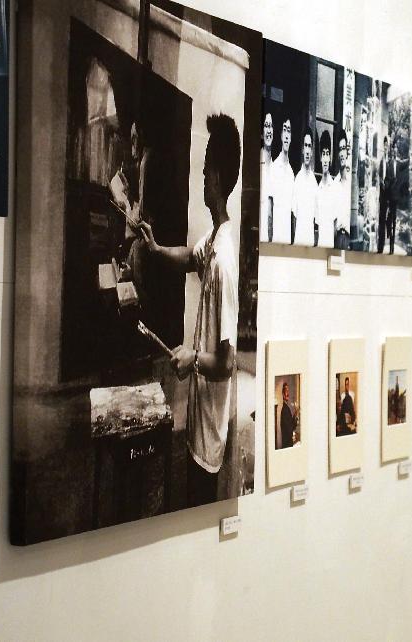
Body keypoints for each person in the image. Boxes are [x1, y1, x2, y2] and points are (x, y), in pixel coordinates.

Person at [138, 113, 240, 505]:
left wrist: (193, 358)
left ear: (215, 178)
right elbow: (189, 257)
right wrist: (156, 248)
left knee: (200, 504)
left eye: (204, 170)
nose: (200, 177)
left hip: (210, 433)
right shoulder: (214, 239)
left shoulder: (225, 261)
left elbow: (228, 363)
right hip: (199, 419)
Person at [268, 116, 294, 244]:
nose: (287, 135)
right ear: (280, 134)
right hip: (275, 239)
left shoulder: (291, 172)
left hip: (287, 239)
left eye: (289, 130)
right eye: (285, 130)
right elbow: (270, 210)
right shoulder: (273, 168)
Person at [292, 130, 318, 247]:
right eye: (306, 146)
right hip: (299, 239)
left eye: (310, 146)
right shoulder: (297, 179)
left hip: (310, 241)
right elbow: (294, 216)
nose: (307, 150)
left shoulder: (314, 182)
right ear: (303, 150)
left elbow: (316, 217)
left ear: (312, 151)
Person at [315, 130, 338, 248]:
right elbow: (317, 224)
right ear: (320, 157)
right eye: (323, 154)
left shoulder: (334, 187)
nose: (325, 158)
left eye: (327, 154)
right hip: (320, 244)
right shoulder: (317, 188)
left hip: (330, 245)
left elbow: (335, 224)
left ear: (330, 158)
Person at [259, 112, 274, 242]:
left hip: (272, 237)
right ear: (261, 133)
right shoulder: (257, 163)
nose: (269, 130)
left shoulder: (276, 167)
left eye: (271, 126)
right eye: (266, 126)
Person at [278, 381, 296, 449]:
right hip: (287, 445)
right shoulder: (284, 410)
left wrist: (295, 414)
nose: (288, 393)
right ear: (283, 394)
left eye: (288, 391)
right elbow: (290, 429)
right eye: (286, 390)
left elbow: (292, 426)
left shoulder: (287, 408)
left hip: (289, 444)